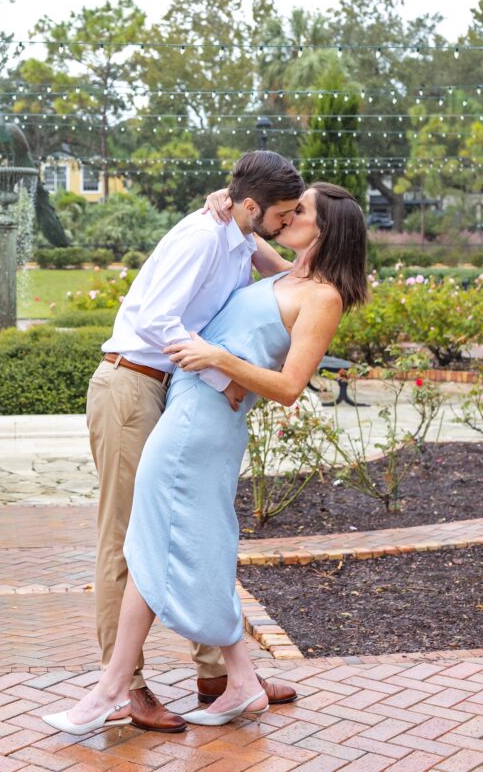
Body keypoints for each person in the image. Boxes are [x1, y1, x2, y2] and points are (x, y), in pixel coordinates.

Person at [43, 182, 368, 734]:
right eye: (288, 208)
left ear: (326, 229)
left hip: (201, 423)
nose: (288, 217)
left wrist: (219, 361)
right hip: (184, 407)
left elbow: (290, 387)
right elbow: (248, 223)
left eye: (301, 212)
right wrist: (226, 198)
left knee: (159, 542)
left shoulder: (322, 295)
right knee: (187, 542)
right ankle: (234, 680)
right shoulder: (281, 269)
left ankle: (113, 689)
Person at [85, 151, 304, 733]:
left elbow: (290, 271)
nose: (285, 222)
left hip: (172, 391)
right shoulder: (203, 238)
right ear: (253, 206)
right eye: (280, 213)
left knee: (193, 529)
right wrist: (221, 374)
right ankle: (125, 688)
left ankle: (220, 676)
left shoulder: (236, 234)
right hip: (132, 385)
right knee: (129, 541)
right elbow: (156, 320)